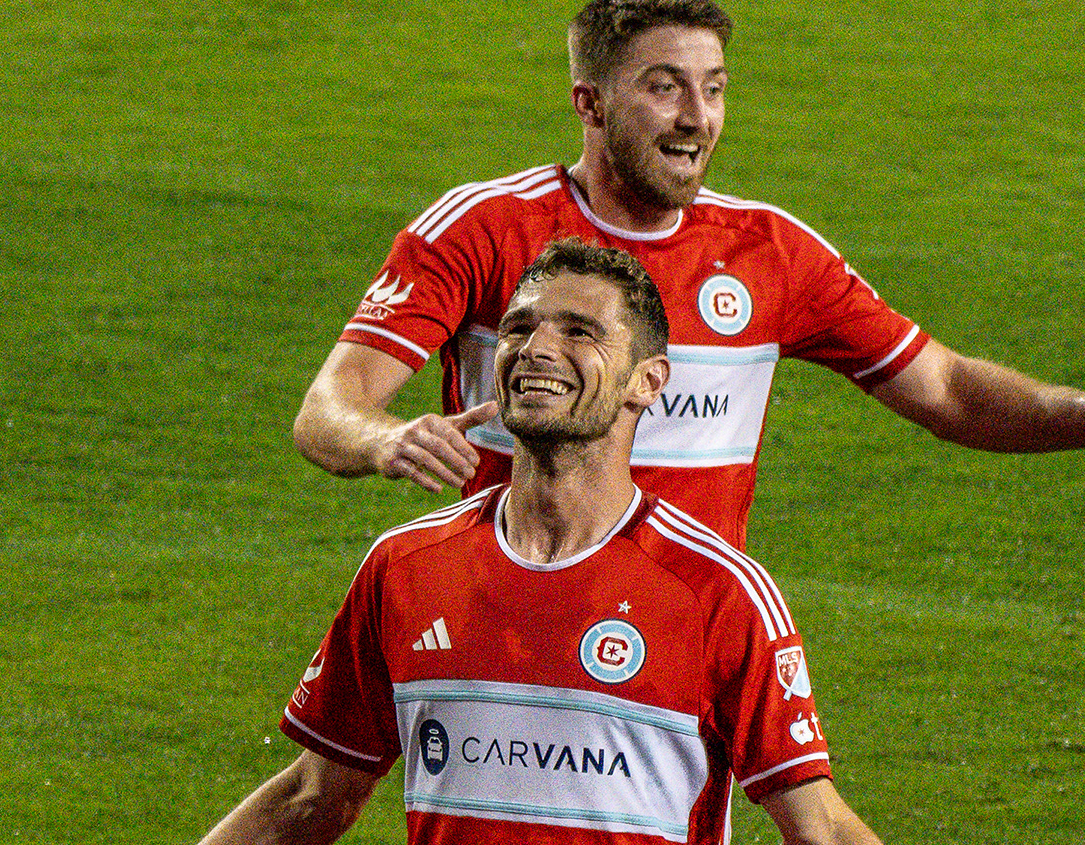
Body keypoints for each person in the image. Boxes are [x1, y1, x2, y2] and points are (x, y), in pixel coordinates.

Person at [291, 0, 1085, 549]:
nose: (698, 117)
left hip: (680, 635)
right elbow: (330, 408)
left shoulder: (771, 253)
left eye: (715, 86)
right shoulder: (486, 229)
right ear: (590, 103)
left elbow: (948, 389)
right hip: (497, 606)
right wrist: (384, 440)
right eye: (664, 87)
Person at [198, 239, 883, 845]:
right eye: (519, 328)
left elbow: (817, 826)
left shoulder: (716, 592)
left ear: (647, 381)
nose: (536, 349)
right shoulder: (405, 567)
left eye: (580, 331)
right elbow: (313, 797)